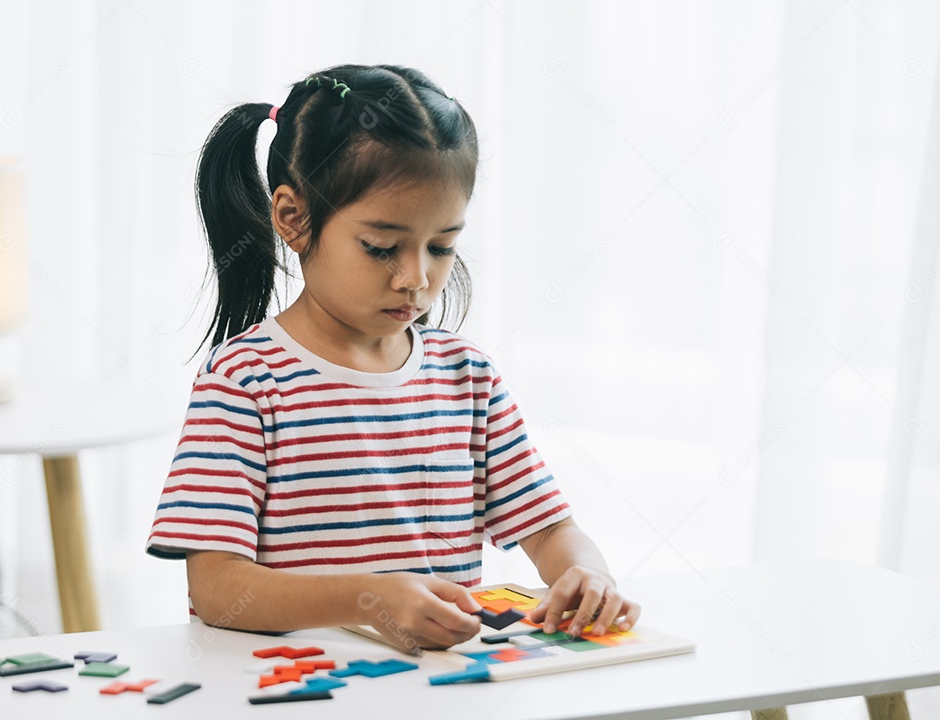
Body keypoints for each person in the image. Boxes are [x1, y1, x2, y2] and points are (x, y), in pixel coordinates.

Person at [146, 63, 640, 650]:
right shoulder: (244, 381)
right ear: (293, 218)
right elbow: (219, 589)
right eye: (382, 248)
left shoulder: (468, 379)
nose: (417, 278)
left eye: (442, 246)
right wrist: (370, 597)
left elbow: (551, 529)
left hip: (437, 692)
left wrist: (588, 575)